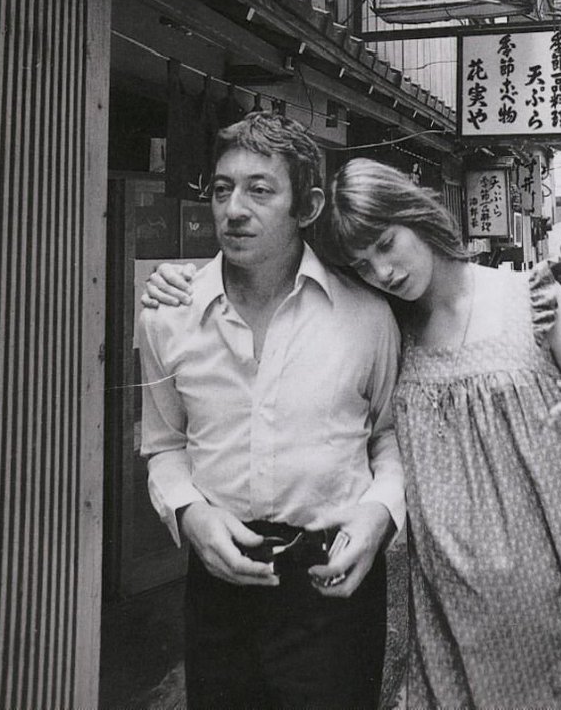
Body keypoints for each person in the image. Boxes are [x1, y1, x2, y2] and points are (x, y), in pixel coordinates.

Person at [327, 159, 561, 709]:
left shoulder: (534, 299)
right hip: (453, 614)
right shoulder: (387, 332)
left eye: (386, 244)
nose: (382, 272)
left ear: (414, 214)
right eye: (362, 265)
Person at [137, 113, 404, 710]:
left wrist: (381, 514)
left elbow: (388, 436)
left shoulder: (365, 314)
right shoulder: (166, 315)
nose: (235, 208)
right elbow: (163, 444)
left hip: (333, 578)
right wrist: (188, 516)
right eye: (223, 188)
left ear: (306, 207)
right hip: (219, 575)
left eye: (260, 190)